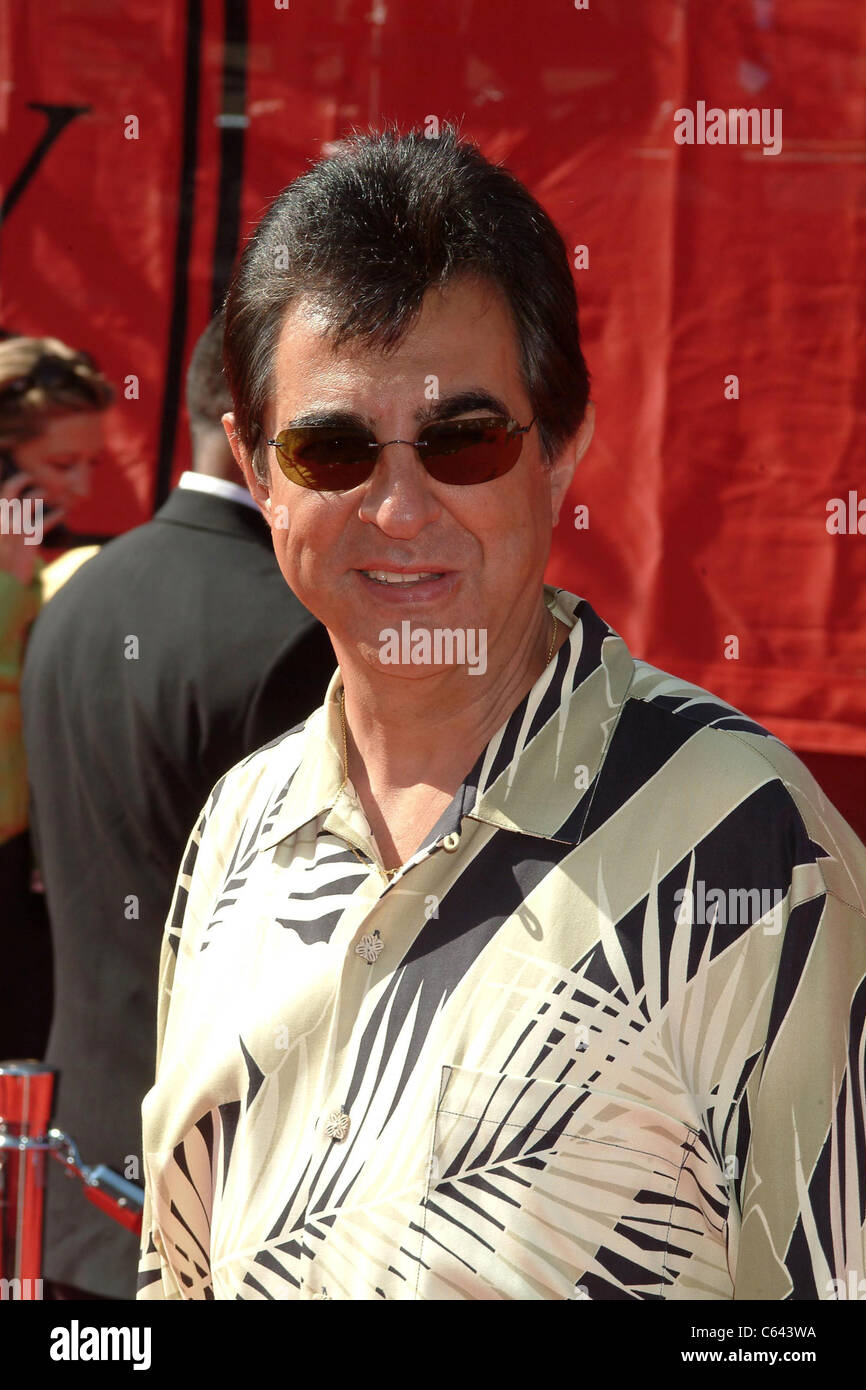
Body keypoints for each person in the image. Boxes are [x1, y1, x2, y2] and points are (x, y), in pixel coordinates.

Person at [136, 127, 866, 1302]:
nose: (398, 505)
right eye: (329, 448)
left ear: (562, 448)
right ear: (256, 469)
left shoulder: (745, 840)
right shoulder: (235, 827)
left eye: (462, 439)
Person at [21, 312, 336, 1300]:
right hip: (214, 1204)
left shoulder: (75, 593)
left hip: (75, 1183)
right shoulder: (294, 632)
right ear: (254, 428)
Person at [0, 336, 113, 1060]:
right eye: (59, 465)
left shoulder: (58, 567)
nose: (79, 488)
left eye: (90, 464)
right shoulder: (21, 578)